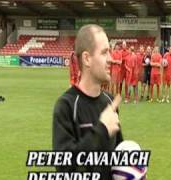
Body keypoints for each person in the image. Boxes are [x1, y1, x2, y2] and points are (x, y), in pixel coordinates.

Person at [52, 24, 123, 179]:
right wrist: (101, 131)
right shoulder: (66, 106)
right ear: (87, 59)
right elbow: (65, 170)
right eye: (104, 53)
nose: (111, 59)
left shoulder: (109, 102)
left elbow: (116, 159)